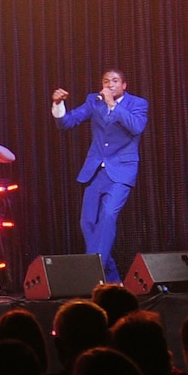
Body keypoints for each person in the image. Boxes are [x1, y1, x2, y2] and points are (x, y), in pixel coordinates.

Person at [50, 67, 149, 283]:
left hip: (121, 171)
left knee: (108, 215)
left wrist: (113, 105)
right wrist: (58, 105)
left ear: (124, 86)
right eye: (106, 81)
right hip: (96, 171)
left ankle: (91, 274)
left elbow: (137, 127)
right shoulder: (94, 101)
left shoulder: (138, 104)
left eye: (115, 81)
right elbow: (67, 122)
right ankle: (112, 281)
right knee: (87, 222)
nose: (110, 85)